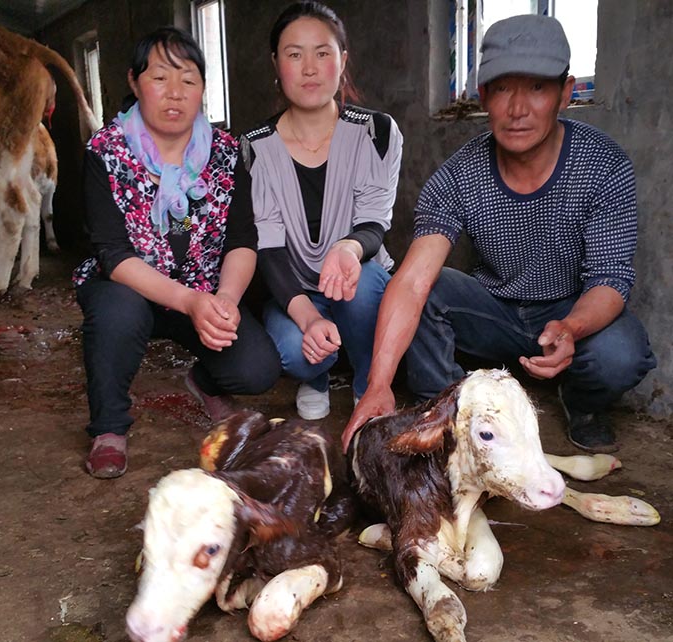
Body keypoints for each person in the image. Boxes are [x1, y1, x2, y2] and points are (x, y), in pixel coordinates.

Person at [343, 14, 656, 454]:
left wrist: (570, 327)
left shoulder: (604, 165)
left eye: (537, 88)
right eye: (504, 88)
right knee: (430, 287)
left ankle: (582, 402)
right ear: (484, 96)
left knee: (622, 352)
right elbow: (413, 280)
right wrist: (378, 384)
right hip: (497, 312)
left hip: (571, 310)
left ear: (565, 93)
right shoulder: (458, 176)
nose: (518, 109)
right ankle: (450, 407)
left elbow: (610, 278)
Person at [73, 27, 281, 479]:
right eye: (160, 78)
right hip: (132, 288)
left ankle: (203, 383)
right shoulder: (106, 153)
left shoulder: (226, 154)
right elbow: (113, 253)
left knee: (258, 368)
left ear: (203, 89)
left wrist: (224, 300)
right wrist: (187, 300)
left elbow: (243, 240)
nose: (175, 93)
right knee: (116, 312)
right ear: (133, 82)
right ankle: (109, 428)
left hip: (203, 290)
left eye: (188, 80)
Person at [241, 1, 402, 420]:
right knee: (298, 352)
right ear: (276, 64)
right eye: (294, 55)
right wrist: (309, 317)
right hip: (290, 288)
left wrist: (347, 248)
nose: (309, 68)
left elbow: (374, 221)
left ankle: (369, 381)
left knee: (364, 284)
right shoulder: (255, 148)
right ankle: (317, 375)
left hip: (356, 276)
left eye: (323, 53)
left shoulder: (377, 132)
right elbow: (269, 245)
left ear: (342, 61)